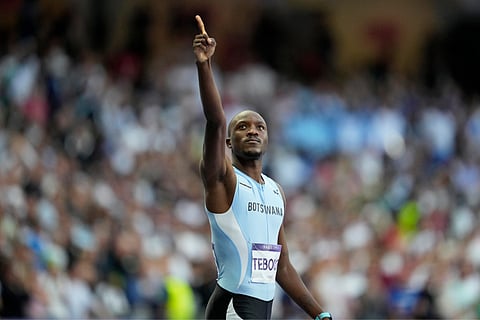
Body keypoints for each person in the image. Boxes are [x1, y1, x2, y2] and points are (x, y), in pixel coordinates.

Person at [193, 15, 333, 320]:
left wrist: (320, 314)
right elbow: (216, 121)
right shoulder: (223, 179)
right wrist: (205, 65)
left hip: (262, 311)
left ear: (268, 138)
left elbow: (282, 267)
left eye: (260, 127)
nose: (253, 131)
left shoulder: (274, 191)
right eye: (242, 127)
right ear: (229, 142)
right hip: (231, 308)